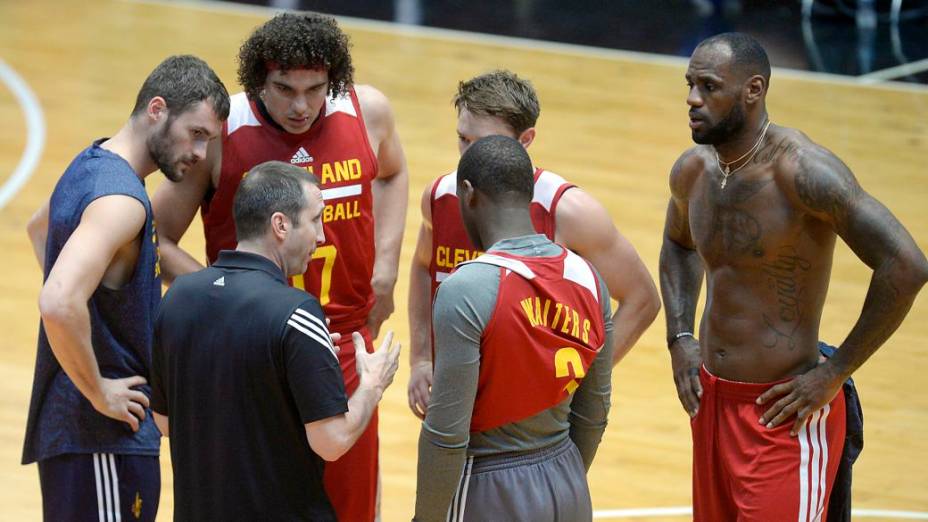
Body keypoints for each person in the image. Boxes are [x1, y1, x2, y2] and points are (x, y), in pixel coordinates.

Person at [150, 12, 408, 520]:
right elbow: (154, 235)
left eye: (315, 89)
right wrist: (218, 292)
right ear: (256, 82)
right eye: (284, 88)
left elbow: (394, 174)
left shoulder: (367, 110)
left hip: (344, 341)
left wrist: (387, 266)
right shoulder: (225, 132)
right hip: (251, 350)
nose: (300, 105)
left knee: (352, 506)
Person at [660, 32, 928, 521]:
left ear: (753, 90)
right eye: (690, 84)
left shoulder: (804, 172)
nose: (692, 99)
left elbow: (906, 265)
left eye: (708, 86)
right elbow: (678, 245)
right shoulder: (694, 171)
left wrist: (835, 371)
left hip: (783, 415)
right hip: (711, 405)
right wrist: (679, 336)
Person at [22, 55, 229, 522]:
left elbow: (40, 229)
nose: (199, 153)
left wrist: (92, 316)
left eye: (209, 141)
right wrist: (98, 389)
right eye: (195, 133)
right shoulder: (123, 202)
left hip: (80, 435)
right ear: (157, 109)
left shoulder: (90, 162)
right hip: (102, 433)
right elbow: (57, 300)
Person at [149, 161, 400, 521]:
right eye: (315, 219)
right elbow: (331, 440)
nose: (321, 236)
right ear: (281, 225)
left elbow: (165, 423)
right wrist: (372, 385)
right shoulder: (296, 313)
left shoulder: (177, 298)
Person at [407, 70, 658, 419]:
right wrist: (421, 358)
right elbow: (423, 266)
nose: (468, 156)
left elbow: (642, 299)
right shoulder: (439, 196)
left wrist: (583, 384)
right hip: (456, 403)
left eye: (484, 143)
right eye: (463, 139)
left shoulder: (569, 211)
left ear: (525, 139)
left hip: (531, 420)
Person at [414, 135, 615, 522]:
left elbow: (447, 434)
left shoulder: (467, 287)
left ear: (468, 194)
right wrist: (559, 475)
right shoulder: (588, 277)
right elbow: (594, 413)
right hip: (568, 479)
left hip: (487, 487)